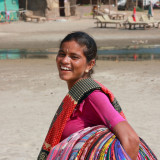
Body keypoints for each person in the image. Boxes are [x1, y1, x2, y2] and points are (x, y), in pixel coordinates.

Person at [38, 32, 157, 160]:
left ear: (90, 65)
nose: (65, 60)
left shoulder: (93, 97)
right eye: (62, 54)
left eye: (74, 57)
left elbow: (131, 139)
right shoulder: (76, 98)